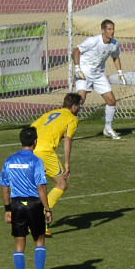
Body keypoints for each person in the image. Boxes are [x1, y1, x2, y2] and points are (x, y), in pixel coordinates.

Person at [0, 125, 52, 269]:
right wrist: (48, 209)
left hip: (16, 205)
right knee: (40, 241)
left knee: (19, 243)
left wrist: (8, 209)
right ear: (35, 142)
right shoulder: (36, 161)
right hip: (34, 204)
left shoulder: (9, 160)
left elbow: (5, 188)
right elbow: (41, 187)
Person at [30, 92, 83, 234]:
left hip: (30, 149)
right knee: (62, 184)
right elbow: (68, 140)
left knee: (37, 187)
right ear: (74, 107)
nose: (79, 109)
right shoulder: (72, 118)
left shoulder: (50, 113)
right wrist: (67, 164)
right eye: (79, 106)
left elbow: (31, 129)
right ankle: (39, 219)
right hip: (45, 152)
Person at [72, 19, 123, 139]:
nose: (112, 31)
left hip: (99, 74)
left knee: (111, 100)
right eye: (109, 29)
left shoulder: (115, 43)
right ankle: (64, 127)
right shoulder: (93, 41)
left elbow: (115, 57)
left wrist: (120, 72)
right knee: (80, 100)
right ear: (103, 30)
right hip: (84, 72)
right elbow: (76, 51)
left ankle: (108, 128)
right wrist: (77, 69)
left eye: (113, 29)